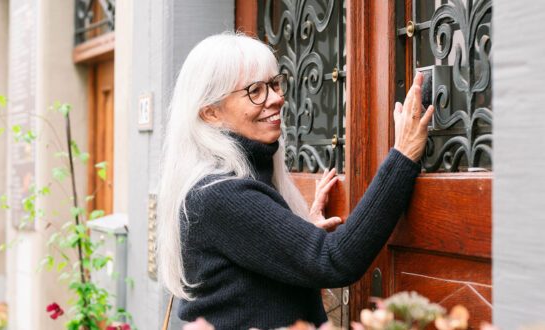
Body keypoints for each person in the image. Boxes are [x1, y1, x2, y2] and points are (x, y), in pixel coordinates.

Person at [157, 32, 434, 329]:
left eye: (275, 84)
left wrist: (297, 232)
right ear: (211, 113)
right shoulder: (220, 194)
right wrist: (402, 156)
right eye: (255, 91)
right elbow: (335, 260)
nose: (276, 99)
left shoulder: (221, 184)